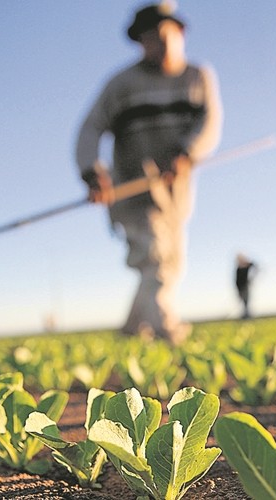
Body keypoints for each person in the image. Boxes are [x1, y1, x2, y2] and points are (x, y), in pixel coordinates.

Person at [75, 3, 223, 344]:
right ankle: (168, 331)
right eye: (153, 38)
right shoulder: (121, 84)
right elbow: (90, 128)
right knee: (154, 258)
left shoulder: (198, 77)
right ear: (140, 41)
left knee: (170, 261)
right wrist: (91, 171)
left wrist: (187, 152)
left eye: (168, 35)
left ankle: (130, 331)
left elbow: (209, 122)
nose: (162, 44)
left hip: (176, 193)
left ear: (181, 34)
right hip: (132, 190)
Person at [235, 254, 257, 319]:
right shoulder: (238, 269)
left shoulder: (247, 266)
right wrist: (238, 290)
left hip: (246, 287)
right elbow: (237, 281)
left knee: (246, 302)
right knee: (244, 303)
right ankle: (245, 316)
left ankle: (247, 316)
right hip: (240, 288)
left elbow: (254, 265)